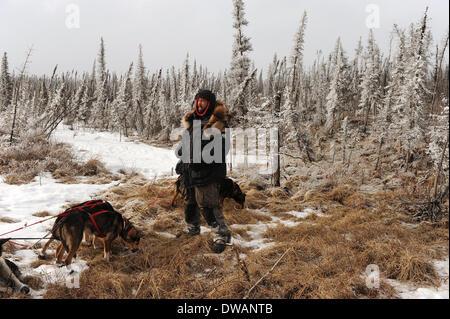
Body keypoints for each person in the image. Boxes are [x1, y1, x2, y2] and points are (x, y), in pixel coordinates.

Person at [175, 89, 231, 253]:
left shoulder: (218, 123)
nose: (200, 103)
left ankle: (221, 235)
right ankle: (192, 228)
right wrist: (182, 157)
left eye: (204, 101)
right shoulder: (193, 121)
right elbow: (185, 144)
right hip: (190, 171)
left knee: (208, 204)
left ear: (210, 103)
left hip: (209, 172)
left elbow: (222, 148)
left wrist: (201, 159)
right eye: (198, 100)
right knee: (190, 201)